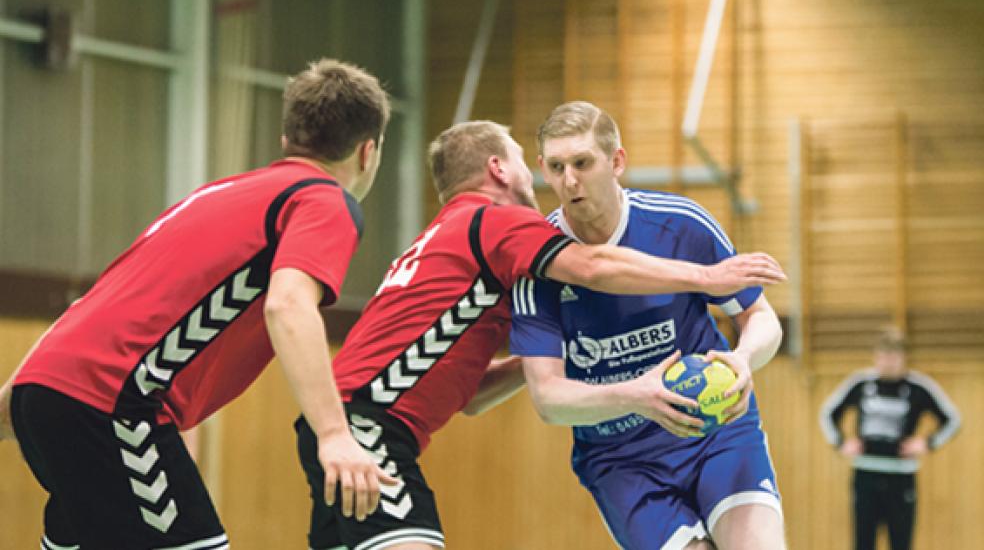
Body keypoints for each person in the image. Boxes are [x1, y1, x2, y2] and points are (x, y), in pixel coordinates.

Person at [293, 120, 787, 550]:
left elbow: (466, 396)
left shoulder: (442, 240)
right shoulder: (496, 222)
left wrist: (546, 359)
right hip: (366, 426)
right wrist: (705, 277)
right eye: (536, 164)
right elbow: (592, 266)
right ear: (499, 169)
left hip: (333, 419)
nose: (552, 179)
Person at [0, 58, 395, 550]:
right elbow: (288, 306)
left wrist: (17, 399)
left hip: (45, 396)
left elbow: (103, 301)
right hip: (114, 408)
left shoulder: (212, 195)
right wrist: (334, 433)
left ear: (286, 141)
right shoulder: (323, 201)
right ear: (367, 153)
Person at [509, 101, 787, 550]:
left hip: (715, 431)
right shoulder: (535, 266)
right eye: (557, 167)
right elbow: (548, 398)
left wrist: (742, 359)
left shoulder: (680, 224)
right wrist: (637, 395)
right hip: (620, 459)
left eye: (582, 163)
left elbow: (761, 317)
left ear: (617, 160)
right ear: (541, 168)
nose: (570, 181)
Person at [819, 326, 960, 550]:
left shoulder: (918, 387)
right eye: (883, 355)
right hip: (865, 475)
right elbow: (828, 412)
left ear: (903, 358)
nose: (888, 361)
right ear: (876, 356)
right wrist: (841, 442)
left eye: (894, 355)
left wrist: (927, 442)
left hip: (901, 478)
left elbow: (952, 419)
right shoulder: (861, 384)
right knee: (863, 542)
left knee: (901, 542)